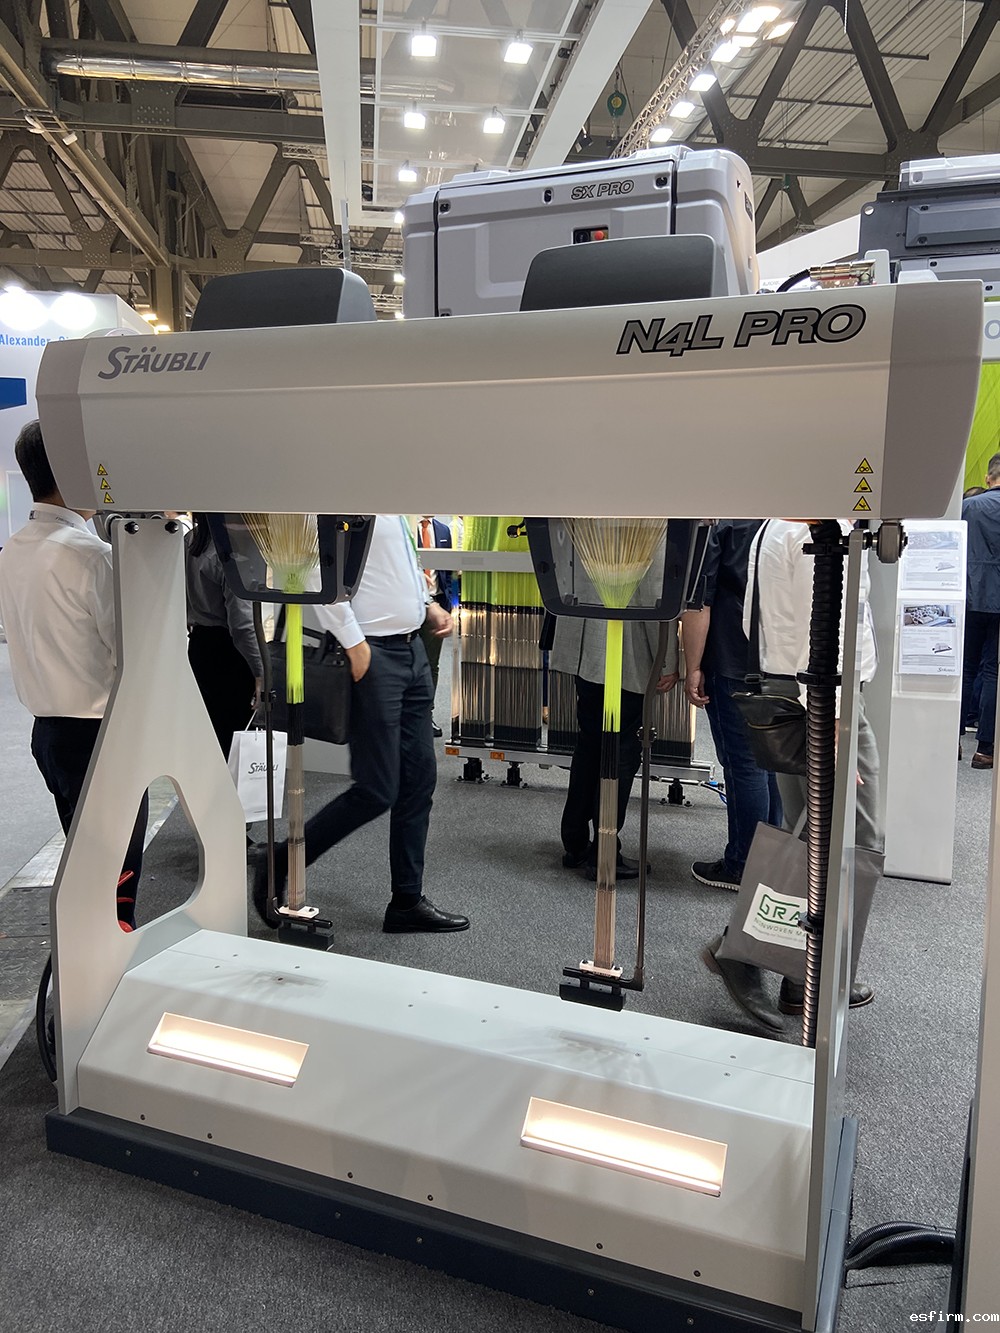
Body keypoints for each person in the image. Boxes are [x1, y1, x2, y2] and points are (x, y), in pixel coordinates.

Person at [702, 520, 880, 1028]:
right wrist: (837, 724)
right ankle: (744, 949)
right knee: (855, 837)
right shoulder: (822, 528)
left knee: (810, 837)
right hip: (822, 699)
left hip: (792, 694)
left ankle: (800, 972)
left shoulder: (777, 525)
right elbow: (830, 629)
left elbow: (761, 623)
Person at [254, 514, 469, 934]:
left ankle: (407, 900)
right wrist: (353, 642)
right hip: (374, 653)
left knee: (419, 780)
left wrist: (425, 605)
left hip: (412, 651)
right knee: (377, 789)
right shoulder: (343, 499)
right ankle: (280, 860)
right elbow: (318, 570)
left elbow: (393, 566)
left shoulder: (390, 505)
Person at [0, 420, 146, 929]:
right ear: (70, 470)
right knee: (115, 893)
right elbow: (133, 656)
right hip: (99, 741)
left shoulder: (14, 550)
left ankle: (80, 968)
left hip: (48, 737)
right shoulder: (93, 557)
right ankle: (92, 972)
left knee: (91, 878)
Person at [681, 520, 782, 890]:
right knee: (770, 762)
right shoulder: (786, 517)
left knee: (743, 764)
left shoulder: (718, 523)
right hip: (779, 659)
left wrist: (692, 667)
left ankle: (742, 864)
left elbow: (698, 603)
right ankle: (769, 858)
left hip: (731, 657)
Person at [551, 616, 679, 877]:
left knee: (589, 744)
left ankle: (575, 842)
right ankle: (605, 853)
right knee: (622, 753)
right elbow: (653, 603)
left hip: (585, 647)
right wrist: (667, 660)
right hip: (626, 652)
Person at [185, 512, 262, 760]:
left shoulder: (191, 539)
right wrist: (260, 671)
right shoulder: (233, 548)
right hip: (230, 654)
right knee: (233, 739)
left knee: (209, 736)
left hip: (199, 643)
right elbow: (242, 624)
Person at [962, 458, 1000, 769]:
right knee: (993, 673)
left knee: (964, 670)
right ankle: (985, 749)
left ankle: (952, 741)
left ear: (988, 477)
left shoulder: (969, 507)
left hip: (969, 596)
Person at [414, 515, 457, 737]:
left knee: (431, 664)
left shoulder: (442, 530)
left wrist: (449, 603)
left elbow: (448, 571)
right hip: (410, 605)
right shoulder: (407, 524)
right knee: (408, 660)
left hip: (437, 604)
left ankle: (426, 715)